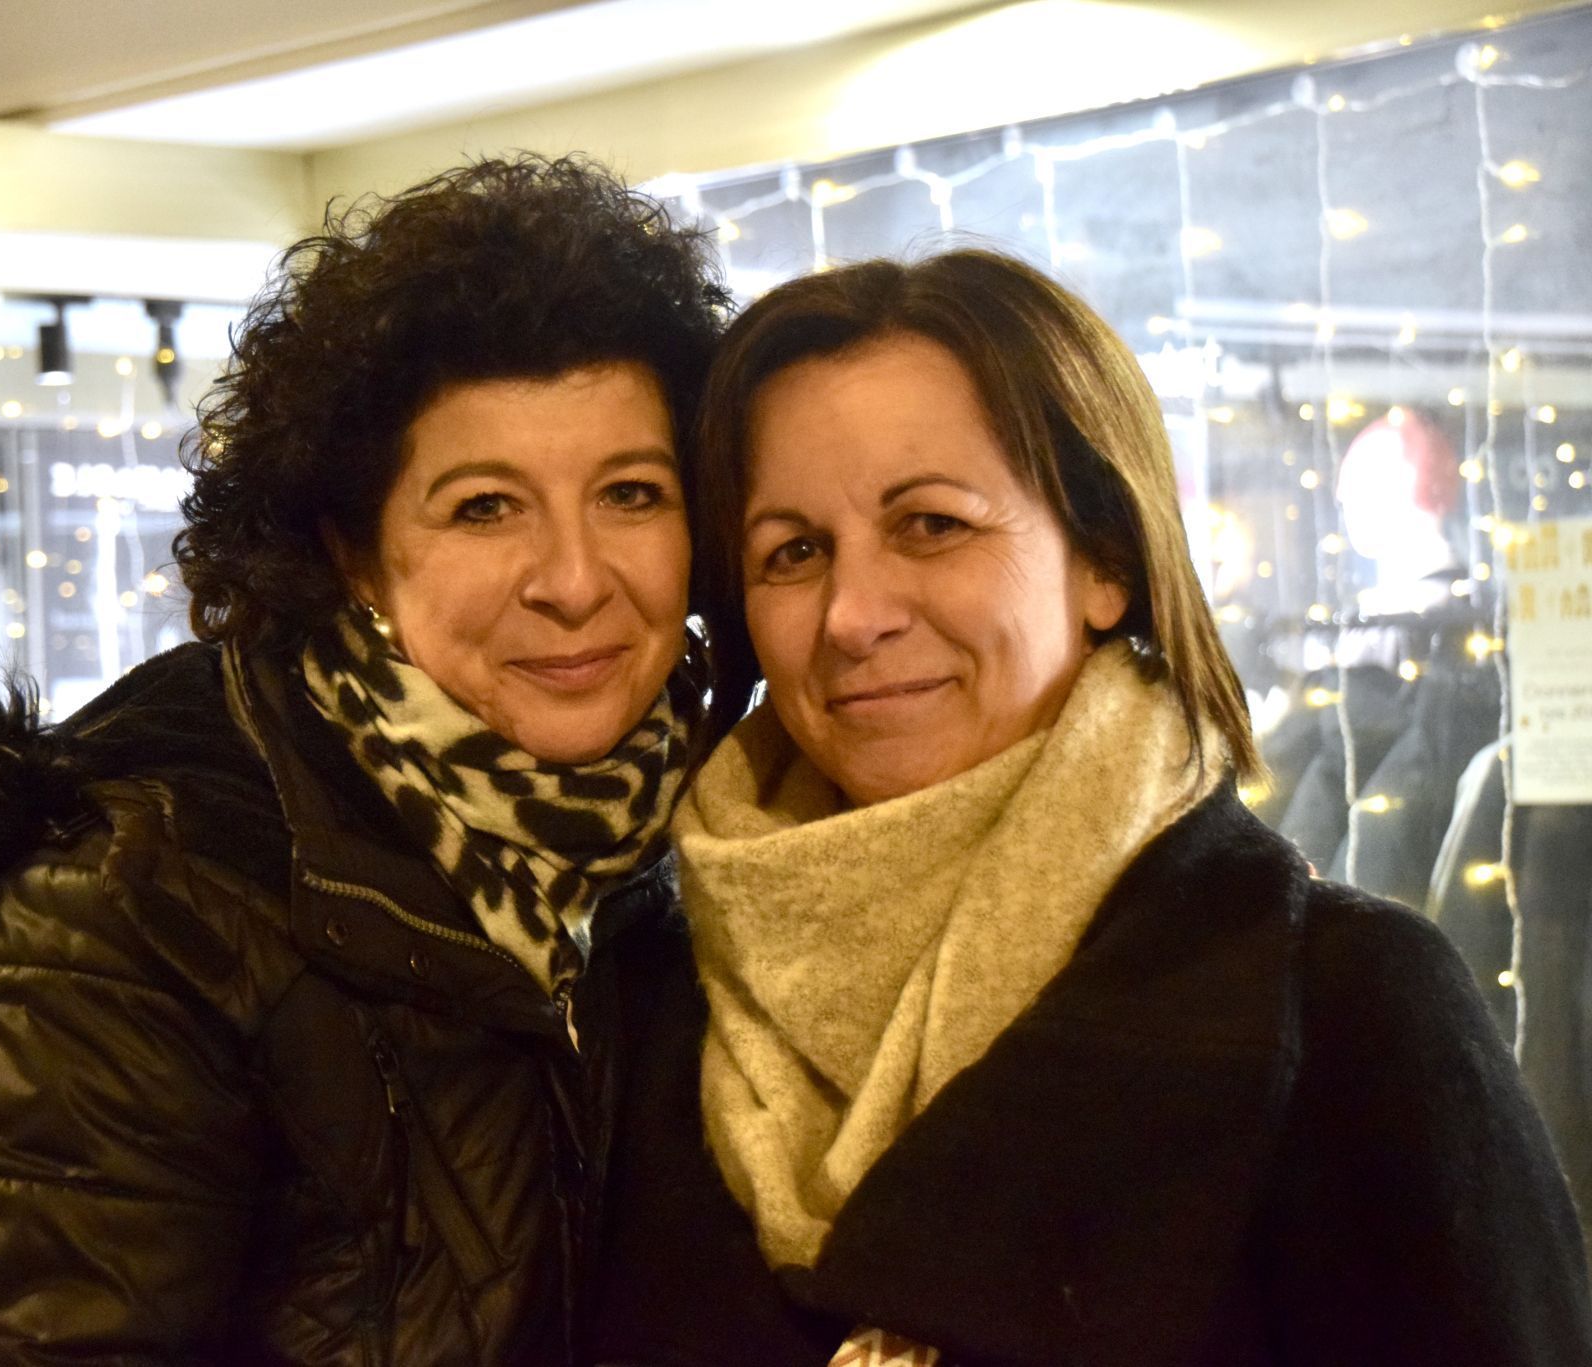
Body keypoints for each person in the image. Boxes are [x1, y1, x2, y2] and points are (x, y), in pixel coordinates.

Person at [0, 155, 729, 1365]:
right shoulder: (127, 903)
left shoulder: (690, 841)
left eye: (630, 493)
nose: (574, 579)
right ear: (350, 552)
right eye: (484, 507)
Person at [591, 251, 1592, 1366]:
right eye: (793, 551)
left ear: (1104, 559)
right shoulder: (658, 1005)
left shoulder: (1343, 1008)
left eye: (930, 524)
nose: (851, 614)